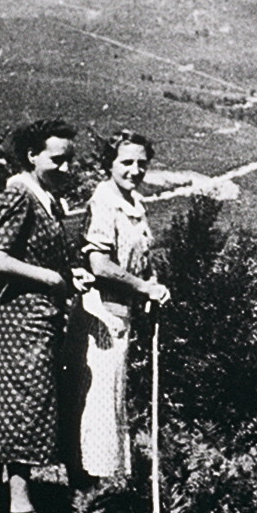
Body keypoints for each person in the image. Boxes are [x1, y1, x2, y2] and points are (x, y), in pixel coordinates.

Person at [0, 119, 93, 513]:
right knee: (23, 404)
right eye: (56, 159)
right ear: (32, 156)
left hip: (40, 315)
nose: (65, 168)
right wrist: (50, 278)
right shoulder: (18, 193)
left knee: (20, 401)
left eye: (68, 161)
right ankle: (19, 506)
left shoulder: (47, 199)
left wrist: (68, 275)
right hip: (20, 316)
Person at [75, 130, 170, 485]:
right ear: (109, 164)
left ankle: (103, 481)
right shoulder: (104, 201)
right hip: (101, 310)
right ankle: (89, 485)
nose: (134, 170)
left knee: (113, 395)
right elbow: (100, 264)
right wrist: (142, 285)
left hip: (123, 310)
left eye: (141, 163)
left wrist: (152, 284)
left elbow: (139, 260)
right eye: (126, 162)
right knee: (100, 397)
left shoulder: (135, 204)